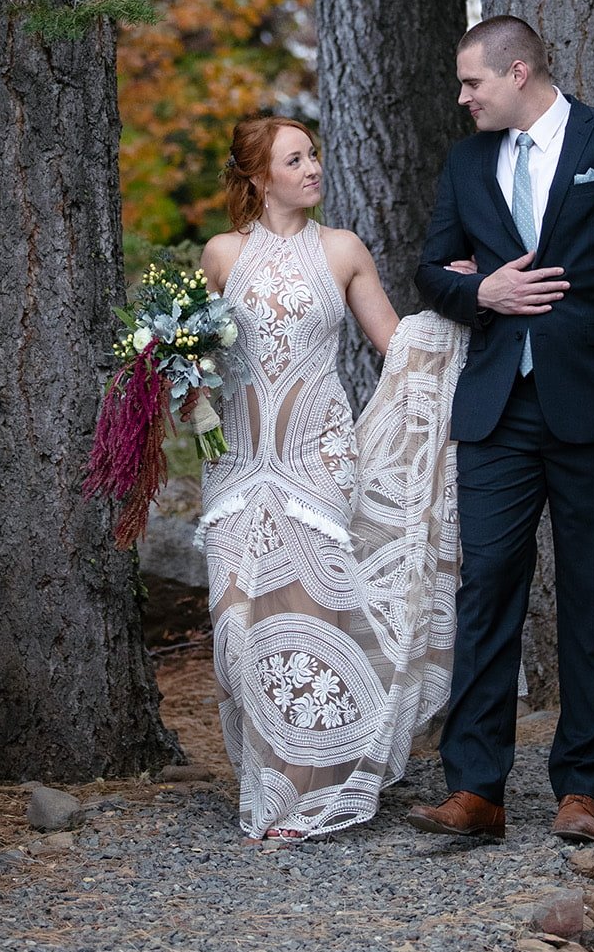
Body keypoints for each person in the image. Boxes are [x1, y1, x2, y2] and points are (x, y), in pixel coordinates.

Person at [409, 15, 594, 845]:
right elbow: (430, 269)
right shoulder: (468, 162)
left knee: (593, 593)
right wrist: (480, 292)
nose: (463, 98)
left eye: (473, 83)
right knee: (486, 585)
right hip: (497, 407)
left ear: (518, 71)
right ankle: (476, 788)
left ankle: (581, 788)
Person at [197, 115, 466, 840]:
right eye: (294, 159)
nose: (312, 167)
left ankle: (306, 795)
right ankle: (267, 778)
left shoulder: (342, 249)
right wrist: (184, 388)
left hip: (317, 458)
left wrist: (463, 303)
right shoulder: (221, 254)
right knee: (237, 627)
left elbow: (395, 343)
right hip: (236, 463)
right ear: (260, 178)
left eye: (312, 154)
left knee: (308, 619)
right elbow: (197, 353)